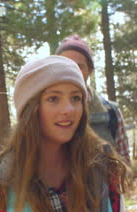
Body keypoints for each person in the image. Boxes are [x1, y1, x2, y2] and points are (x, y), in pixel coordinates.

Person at [0, 56, 135, 212]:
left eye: (76, 98)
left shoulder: (102, 169)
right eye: (53, 98)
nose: (68, 109)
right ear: (31, 109)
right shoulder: (0, 185)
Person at [55, 34, 131, 163]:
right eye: (64, 65)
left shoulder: (111, 112)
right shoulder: (44, 111)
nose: (71, 71)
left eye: (78, 66)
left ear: (89, 70)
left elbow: (124, 165)